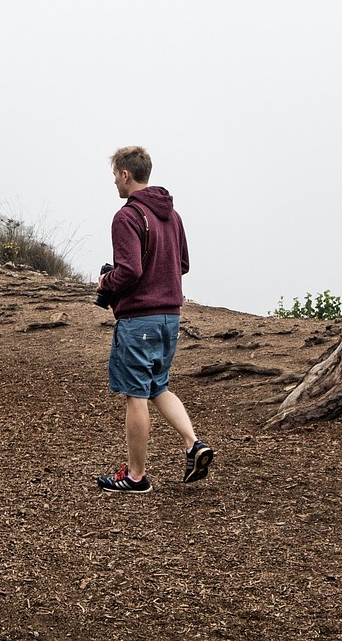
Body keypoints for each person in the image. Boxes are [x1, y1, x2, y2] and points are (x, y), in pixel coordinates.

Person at [95, 146, 212, 493]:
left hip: (139, 319)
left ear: (126, 174)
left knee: (135, 394)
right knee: (157, 386)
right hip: (170, 318)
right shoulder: (172, 216)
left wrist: (106, 282)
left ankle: (136, 476)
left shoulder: (127, 216)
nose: (114, 180)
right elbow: (183, 265)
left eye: (115, 174)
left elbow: (129, 271)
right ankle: (193, 444)